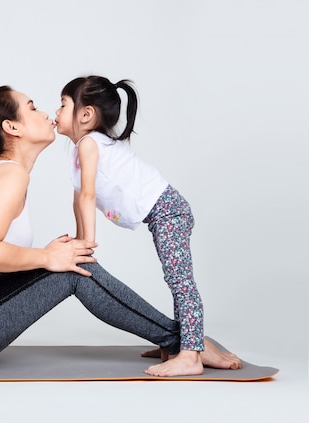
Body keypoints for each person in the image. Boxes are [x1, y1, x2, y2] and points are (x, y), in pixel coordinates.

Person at [0, 85, 240, 376]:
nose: (45, 113)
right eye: (32, 107)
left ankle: (182, 341)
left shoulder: (4, 174)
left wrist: (48, 258)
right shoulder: (9, 175)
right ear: (12, 127)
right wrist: (47, 258)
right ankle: (183, 342)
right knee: (70, 268)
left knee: (66, 257)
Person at [54, 75, 235, 376]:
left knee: (180, 280)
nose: (56, 113)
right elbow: (78, 200)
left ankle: (191, 354)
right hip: (162, 213)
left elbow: (88, 196)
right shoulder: (79, 150)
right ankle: (180, 344)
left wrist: (88, 245)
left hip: (169, 210)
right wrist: (79, 241)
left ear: (86, 115)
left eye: (62, 105)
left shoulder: (89, 143)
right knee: (174, 278)